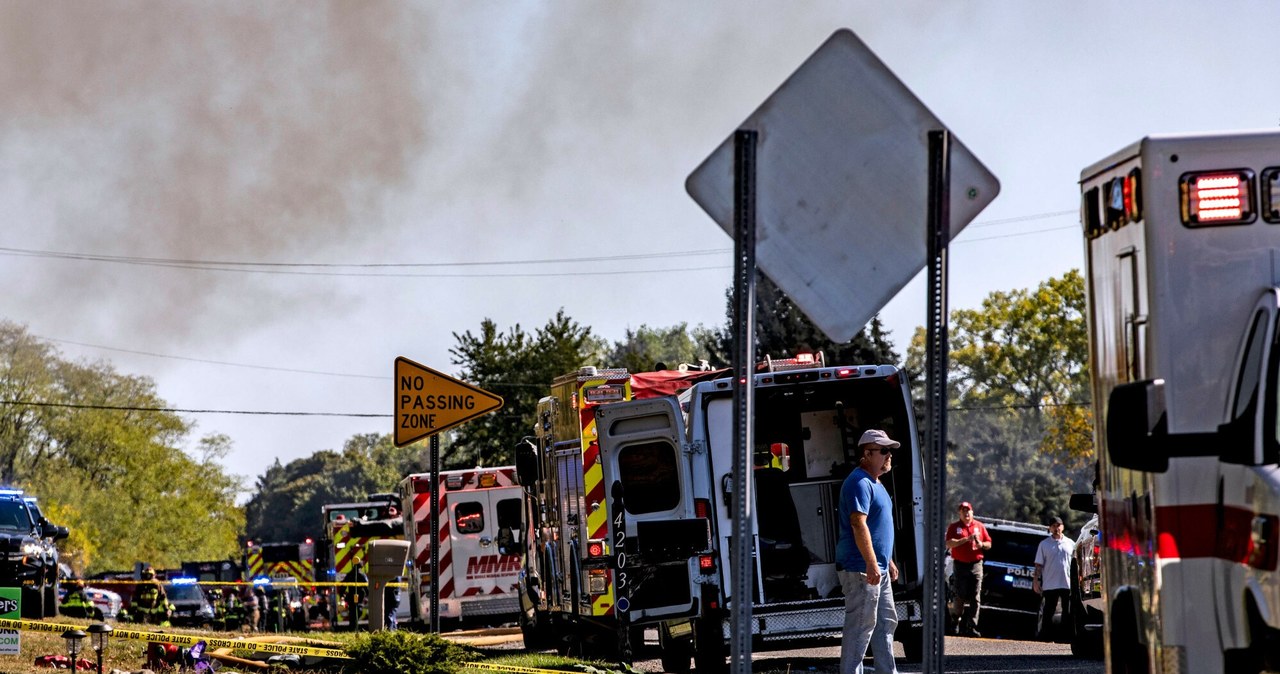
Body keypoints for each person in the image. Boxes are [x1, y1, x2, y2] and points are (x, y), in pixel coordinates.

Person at [836, 429, 900, 674]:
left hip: (877, 568)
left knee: (885, 624)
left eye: (889, 451)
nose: (888, 455)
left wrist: (888, 561)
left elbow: (876, 527)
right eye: (883, 451)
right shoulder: (859, 482)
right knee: (861, 627)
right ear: (866, 453)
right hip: (861, 568)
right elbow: (858, 523)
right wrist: (872, 563)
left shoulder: (876, 483)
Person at [946, 501, 992, 637]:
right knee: (960, 595)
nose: (966, 513)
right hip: (960, 565)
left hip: (976, 564)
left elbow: (988, 543)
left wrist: (981, 544)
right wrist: (966, 539)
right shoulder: (954, 527)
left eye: (968, 510)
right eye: (963, 511)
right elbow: (949, 543)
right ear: (959, 513)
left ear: (972, 512)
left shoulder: (979, 526)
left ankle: (972, 626)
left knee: (975, 596)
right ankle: (956, 621)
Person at [1034, 515, 1076, 642]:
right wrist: (1036, 580)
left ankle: (1064, 636)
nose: (1056, 528)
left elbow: (1075, 563)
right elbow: (1038, 564)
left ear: (1062, 527)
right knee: (1048, 610)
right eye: (1054, 526)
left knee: (1067, 611)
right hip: (1050, 583)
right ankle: (1045, 635)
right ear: (1050, 528)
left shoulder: (1070, 544)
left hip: (1066, 583)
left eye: (1058, 525)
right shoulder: (1044, 544)